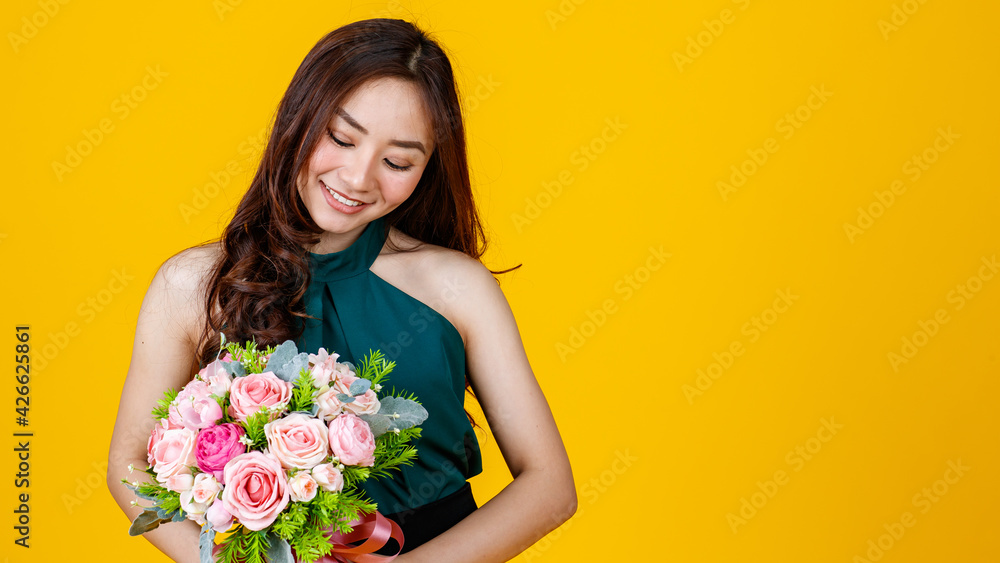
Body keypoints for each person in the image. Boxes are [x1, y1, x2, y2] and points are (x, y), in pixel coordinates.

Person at [107, 17, 576, 562]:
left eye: (398, 161)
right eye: (341, 138)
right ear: (297, 120)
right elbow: (129, 463)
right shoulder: (193, 284)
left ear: (428, 168)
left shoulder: (457, 287)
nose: (357, 178)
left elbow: (549, 486)